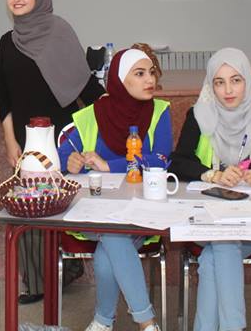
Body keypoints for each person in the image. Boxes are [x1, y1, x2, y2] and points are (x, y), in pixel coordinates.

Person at [172, 48, 251, 331]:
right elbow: (179, 161)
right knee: (223, 243)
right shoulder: (198, 116)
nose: (228, 90)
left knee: (216, 253)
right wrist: (213, 174)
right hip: (206, 217)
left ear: (248, 81)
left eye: (236, 80)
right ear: (211, 86)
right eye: (219, 82)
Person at [0, 0, 104, 303]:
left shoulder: (60, 31)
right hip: (27, 140)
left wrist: (116, 106)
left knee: (60, 206)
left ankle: (67, 268)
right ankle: (37, 282)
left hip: (62, 138)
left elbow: (84, 84)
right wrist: (10, 140)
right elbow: (4, 98)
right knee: (29, 207)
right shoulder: (7, 42)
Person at [58, 48, 170, 331]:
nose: (150, 80)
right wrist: (70, 161)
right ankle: (146, 323)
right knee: (111, 231)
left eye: (151, 73)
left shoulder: (160, 111)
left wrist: (109, 165)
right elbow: (63, 154)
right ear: (120, 80)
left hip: (143, 213)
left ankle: (103, 322)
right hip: (96, 211)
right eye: (140, 74)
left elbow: (161, 159)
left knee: (108, 245)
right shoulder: (92, 114)